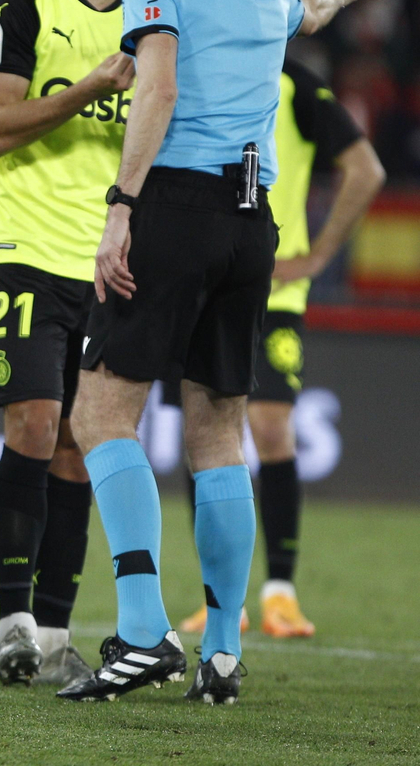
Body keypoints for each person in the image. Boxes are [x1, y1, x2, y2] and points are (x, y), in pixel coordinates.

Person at [57, 0, 360, 705]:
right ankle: (222, 650)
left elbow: (157, 87)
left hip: (178, 208)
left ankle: (146, 630)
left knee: (103, 412)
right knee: (218, 430)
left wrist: (122, 206)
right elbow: (305, 12)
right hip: (251, 220)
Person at [0, 0, 143, 686]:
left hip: (110, 262)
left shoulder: (158, 16)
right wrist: (87, 87)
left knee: (83, 446)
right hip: (24, 247)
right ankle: (10, 621)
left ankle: (52, 631)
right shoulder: (21, 6)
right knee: (34, 427)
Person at [174, 59, 384, 639]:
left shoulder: (291, 80)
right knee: (201, 431)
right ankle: (220, 597)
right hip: (201, 284)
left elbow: (365, 169)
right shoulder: (184, 64)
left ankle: (280, 594)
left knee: (269, 429)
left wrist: (316, 257)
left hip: (275, 290)